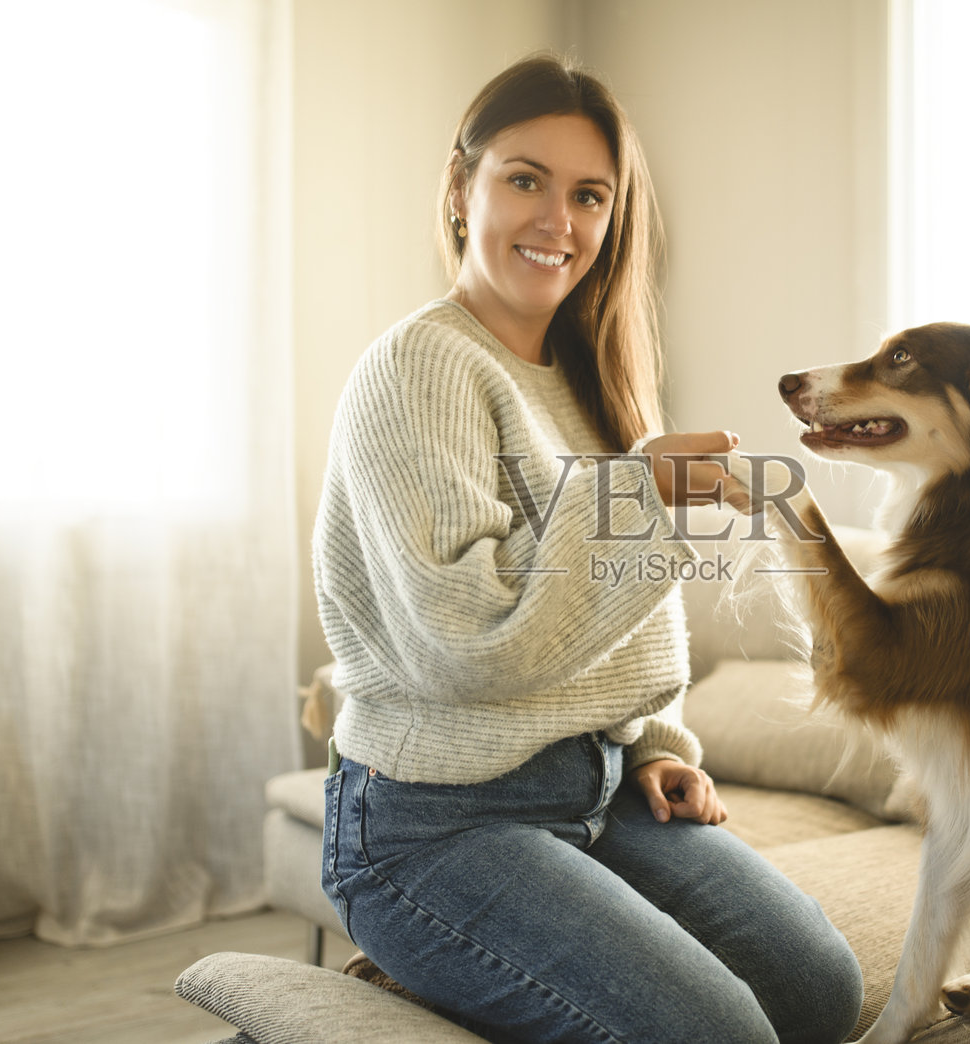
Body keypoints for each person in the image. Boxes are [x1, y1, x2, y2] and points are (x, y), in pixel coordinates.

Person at [314, 54, 864, 1044]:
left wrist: (654, 743)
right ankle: (430, 965)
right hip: (429, 828)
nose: (556, 222)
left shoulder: (592, 376)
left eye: (588, 195)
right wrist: (637, 491)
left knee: (821, 991)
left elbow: (622, 617)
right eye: (524, 178)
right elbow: (470, 643)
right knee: (720, 1035)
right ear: (460, 187)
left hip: (596, 791)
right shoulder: (420, 366)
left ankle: (484, 984)